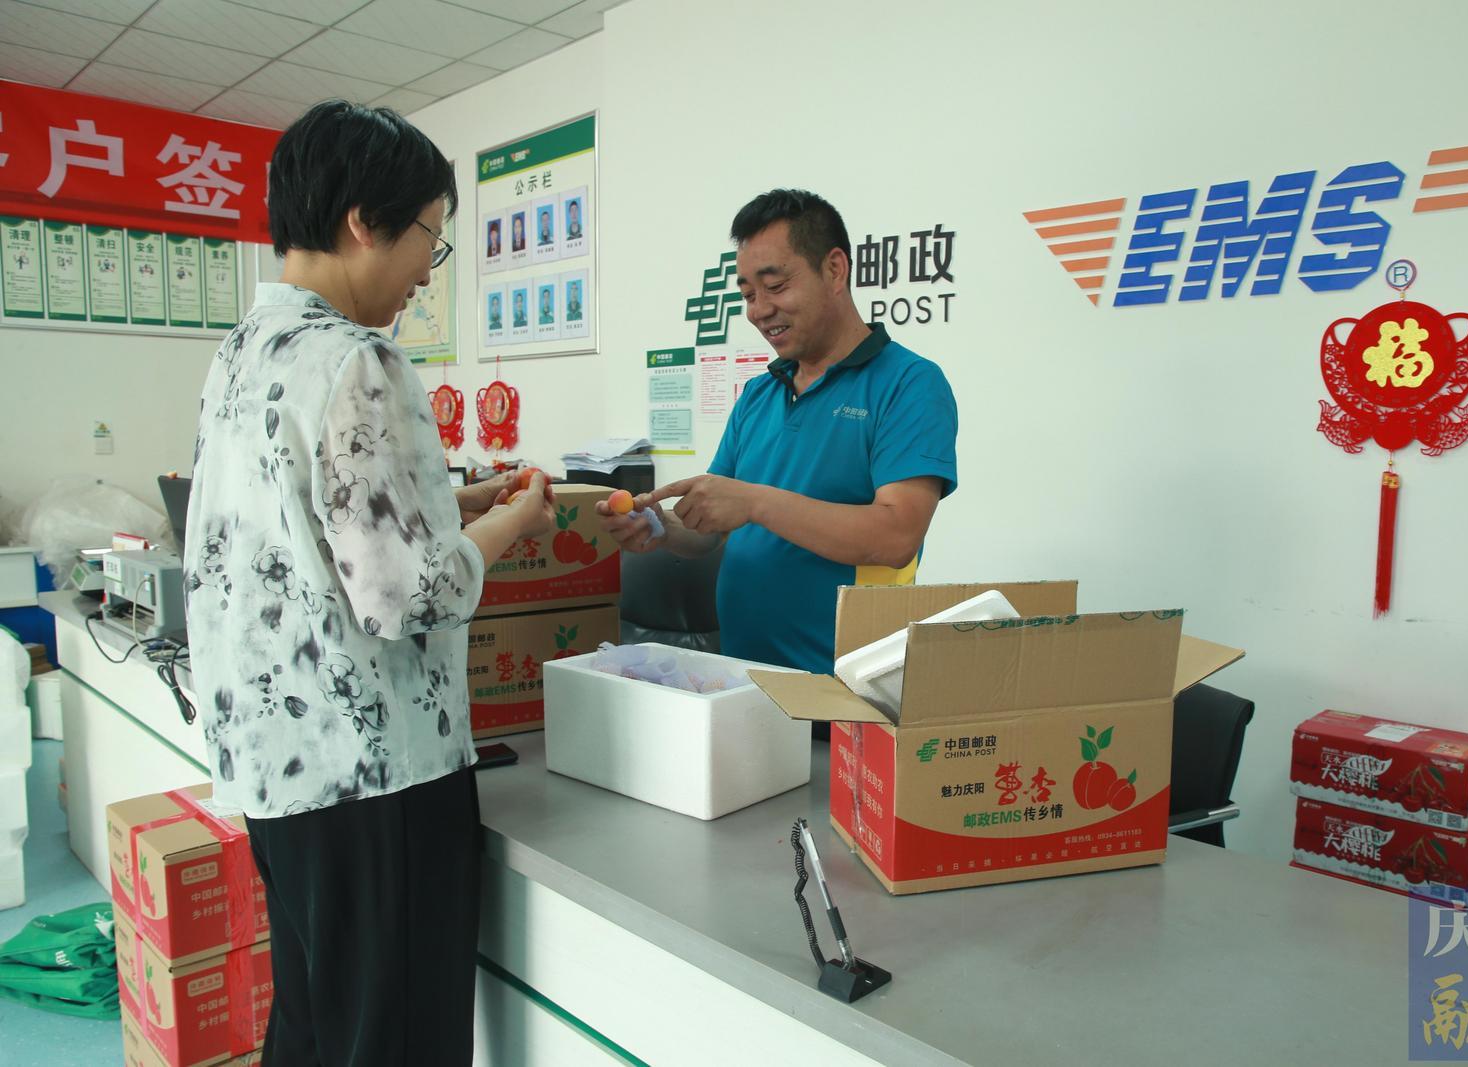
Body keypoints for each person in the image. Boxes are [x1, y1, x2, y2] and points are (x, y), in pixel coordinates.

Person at [183, 99, 554, 1067]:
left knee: (315, 1025)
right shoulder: (358, 359)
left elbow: (306, 521)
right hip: (376, 773)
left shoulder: (244, 353)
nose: (427, 272)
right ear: (362, 221)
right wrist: (513, 522)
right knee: (394, 1040)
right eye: (429, 237)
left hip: (281, 765)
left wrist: (454, 496)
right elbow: (407, 594)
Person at [598, 188, 958, 681]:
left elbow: (896, 536)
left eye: (775, 286)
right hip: (741, 681)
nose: (759, 310)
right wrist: (662, 528)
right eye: (748, 295)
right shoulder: (759, 394)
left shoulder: (909, 384)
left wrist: (755, 503)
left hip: (842, 693)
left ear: (835, 270)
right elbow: (713, 531)